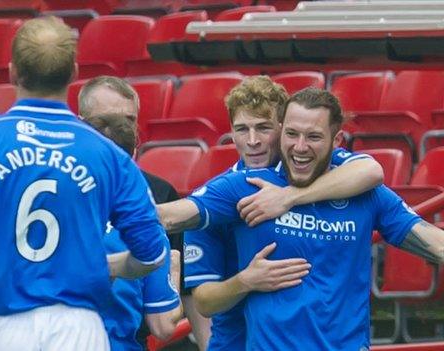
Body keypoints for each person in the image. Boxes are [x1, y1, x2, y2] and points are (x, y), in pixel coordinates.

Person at [0, 17, 166, 351]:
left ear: (12, 73)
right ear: (73, 73)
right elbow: (151, 253)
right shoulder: (110, 155)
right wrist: (114, 265)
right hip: (81, 328)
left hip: (3, 325)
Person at [161, 87, 444, 350]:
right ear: (281, 132)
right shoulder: (244, 187)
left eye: (313, 137)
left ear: (337, 141)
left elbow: (435, 243)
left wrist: (288, 197)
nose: (300, 146)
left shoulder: (368, 195)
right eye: (292, 134)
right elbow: (171, 217)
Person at [183, 76, 384, 350]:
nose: (252, 141)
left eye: (264, 128)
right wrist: (246, 281)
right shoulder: (217, 197)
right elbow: (203, 301)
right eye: (242, 129)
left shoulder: (319, 160)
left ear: (283, 128)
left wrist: (288, 197)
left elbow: (372, 171)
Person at [78, 75, 211, 349]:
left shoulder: (161, 197)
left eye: (127, 120)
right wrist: (169, 267)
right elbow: (164, 323)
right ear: (82, 123)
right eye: (104, 120)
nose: (115, 130)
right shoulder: (59, 191)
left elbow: (185, 294)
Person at [84, 114, 182, 350]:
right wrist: (175, 269)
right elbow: (163, 326)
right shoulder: (145, 229)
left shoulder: (49, 213)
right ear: (133, 158)